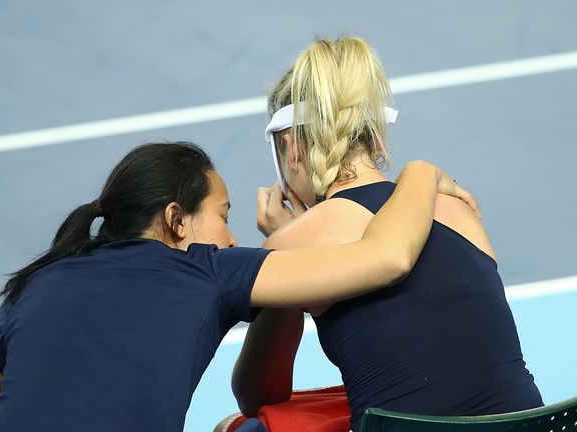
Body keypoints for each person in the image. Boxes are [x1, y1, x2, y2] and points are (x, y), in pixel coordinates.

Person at [0, 141, 471, 432]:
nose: (230, 233)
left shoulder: (41, 285)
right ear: (177, 220)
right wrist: (419, 173)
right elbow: (388, 256)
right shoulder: (207, 271)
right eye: (221, 214)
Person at [229, 37, 543, 432]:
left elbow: (258, 393)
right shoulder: (458, 210)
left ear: (291, 148)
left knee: (241, 427)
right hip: (540, 426)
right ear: (376, 137)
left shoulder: (292, 245)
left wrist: (283, 257)